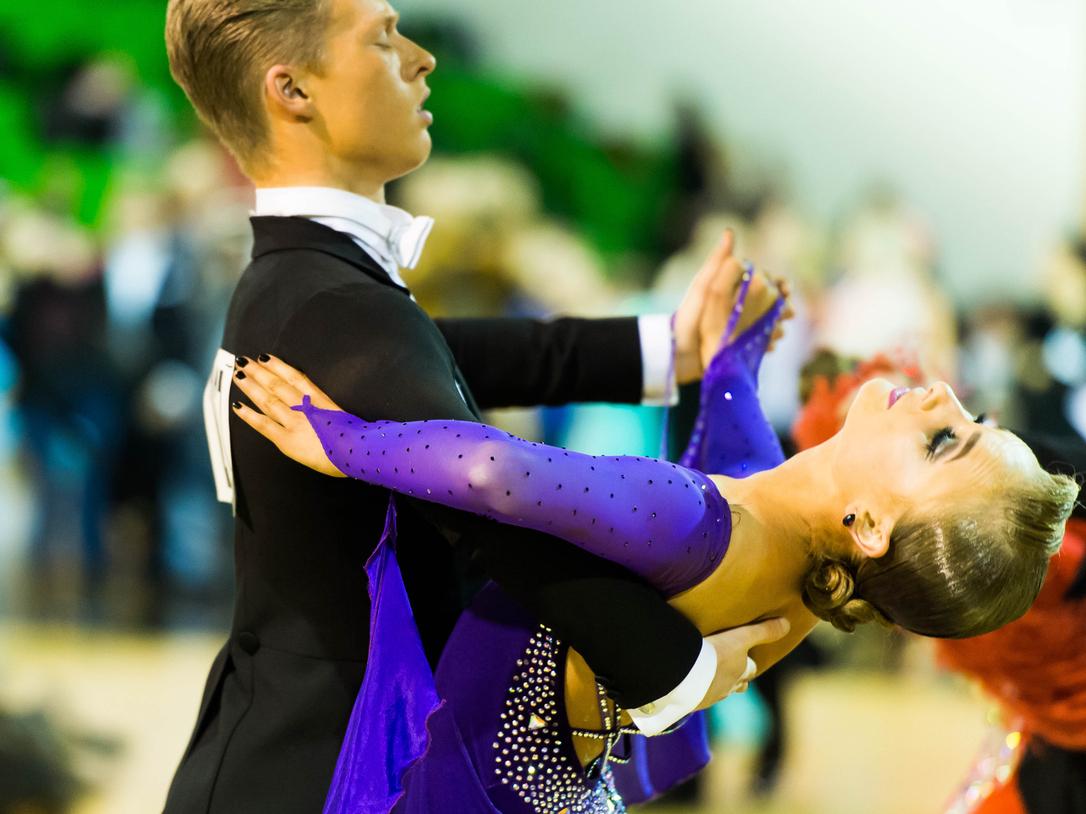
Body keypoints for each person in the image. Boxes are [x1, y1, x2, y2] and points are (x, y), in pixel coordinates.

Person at [161, 1, 789, 810]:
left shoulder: (307, 285)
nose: (421, 59)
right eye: (383, 39)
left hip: (292, 747)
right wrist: (673, 671)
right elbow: (494, 502)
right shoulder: (334, 306)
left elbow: (447, 352)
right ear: (293, 91)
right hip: (319, 769)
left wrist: (668, 348)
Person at [231, 275, 1076, 811]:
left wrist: (342, 443)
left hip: (468, 791)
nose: (939, 397)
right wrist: (730, 355)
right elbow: (749, 457)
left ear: (868, 525)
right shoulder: (810, 589)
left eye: (944, 443)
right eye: (973, 419)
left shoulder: (686, 517)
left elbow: (494, 474)